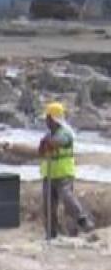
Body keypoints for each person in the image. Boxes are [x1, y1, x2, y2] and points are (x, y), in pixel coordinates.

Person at [39, 101, 95, 237]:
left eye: (47, 118)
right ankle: (51, 233)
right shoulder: (48, 135)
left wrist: (49, 144)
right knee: (49, 207)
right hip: (49, 175)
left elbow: (59, 142)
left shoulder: (66, 133)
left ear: (53, 119)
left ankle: (82, 220)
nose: (45, 122)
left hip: (64, 174)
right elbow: (41, 150)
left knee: (66, 196)